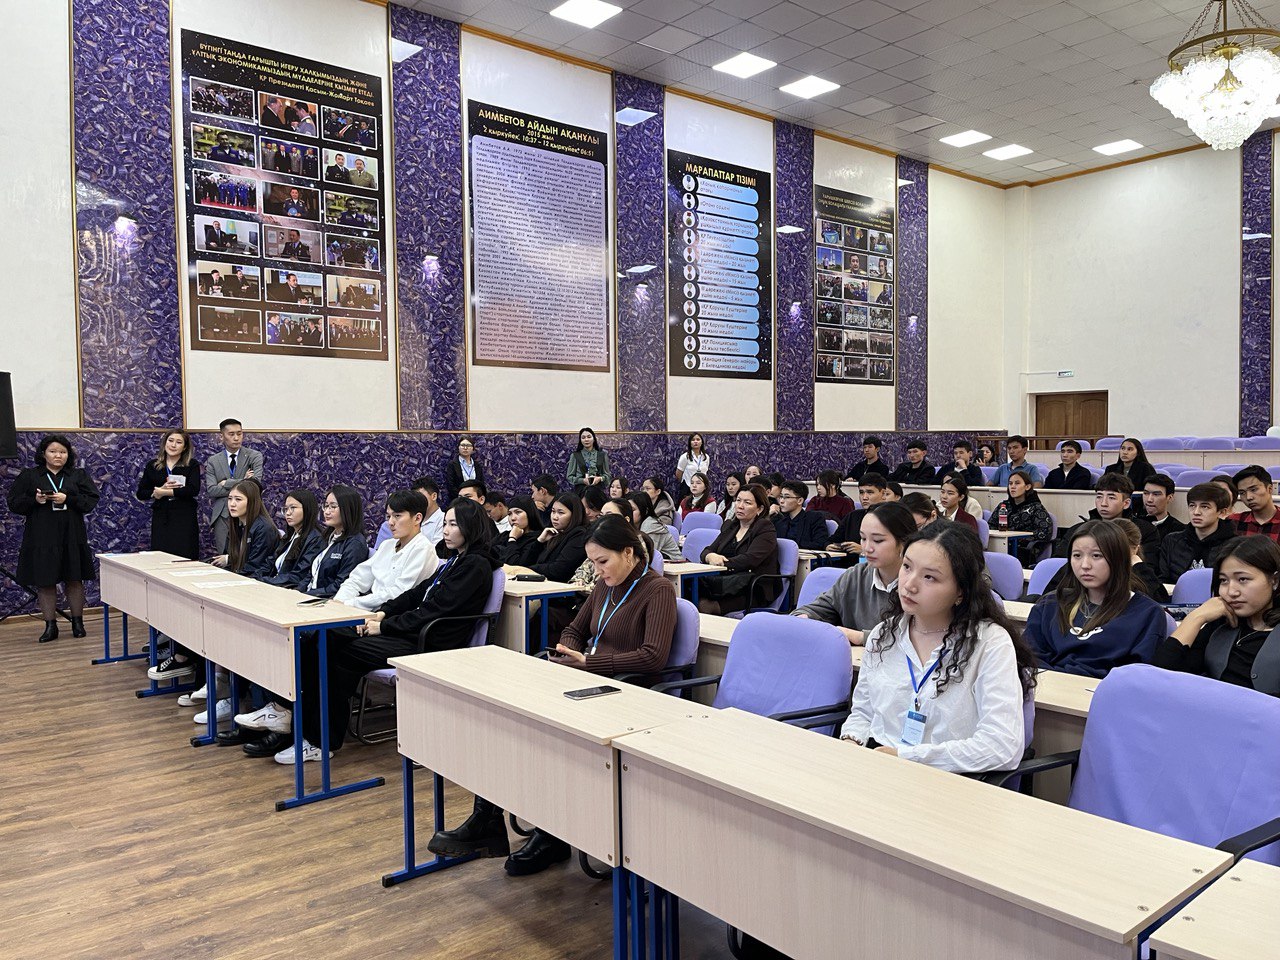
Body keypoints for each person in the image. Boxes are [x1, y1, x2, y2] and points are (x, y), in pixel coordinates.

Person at [430, 515, 677, 872]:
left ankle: (551, 834)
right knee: (513, 719)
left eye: (603, 561)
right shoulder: (606, 584)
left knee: (548, 736)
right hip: (594, 684)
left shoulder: (658, 590)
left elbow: (653, 657)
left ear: (629, 553)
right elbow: (575, 628)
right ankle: (487, 818)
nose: (597, 570)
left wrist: (590, 662)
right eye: (593, 562)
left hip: (630, 694)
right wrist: (569, 648)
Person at [287, 499, 500, 764]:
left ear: (471, 526)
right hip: (411, 631)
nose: (446, 530)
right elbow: (416, 594)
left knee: (339, 653)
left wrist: (384, 626)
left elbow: (433, 611)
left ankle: (321, 740)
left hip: (429, 642)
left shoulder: (475, 565)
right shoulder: (457, 560)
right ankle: (301, 727)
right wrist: (383, 612)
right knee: (325, 636)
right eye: (445, 523)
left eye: (454, 524)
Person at [839, 521, 1035, 773]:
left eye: (929, 577)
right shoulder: (884, 635)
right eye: (907, 567)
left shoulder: (989, 643)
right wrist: (851, 741)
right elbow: (864, 713)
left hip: (946, 777)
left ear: (961, 591)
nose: (909, 584)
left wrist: (907, 757)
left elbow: (1002, 746)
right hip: (879, 764)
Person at [1024, 520, 1167, 678]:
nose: (1085, 565)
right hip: (1048, 687)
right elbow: (1029, 657)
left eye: (1096, 556)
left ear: (1119, 559)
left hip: (1105, 690)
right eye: (1077, 555)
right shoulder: (1051, 604)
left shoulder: (1147, 614)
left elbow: (1135, 675)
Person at [1154, 535, 1280, 696]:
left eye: (1243, 579)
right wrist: (1196, 618)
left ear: (1275, 580)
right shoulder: (1221, 625)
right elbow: (1158, 677)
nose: (1231, 592)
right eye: (1223, 580)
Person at [6, 434, 100, 642]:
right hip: (42, 537)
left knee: (74, 579)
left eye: (63, 452)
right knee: (45, 580)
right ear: (43, 454)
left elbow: (91, 500)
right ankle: (50, 626)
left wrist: (69, 498)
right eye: (53, 451)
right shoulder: (30, 475)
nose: (58, 456)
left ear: (68, 455)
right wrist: (35, 500)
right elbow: (14, 503)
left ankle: (78, 623)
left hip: (71, 535)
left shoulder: (77, 475)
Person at [795, 501, 914, 645]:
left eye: (878, 540)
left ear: (904, 542)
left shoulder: (917, 584)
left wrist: (861, 637)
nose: (867, 548)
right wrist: (804, 618)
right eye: (863, 538)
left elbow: (920, 637)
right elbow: (820, 608)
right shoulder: (856, 575)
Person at [335, 491, 439, 611]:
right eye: (389, 516)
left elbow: (397, 593)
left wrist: (351, 603)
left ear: (417, 518)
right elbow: (358, 578)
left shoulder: (423, 549)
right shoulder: (387, 545)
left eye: (397, 516)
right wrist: (339, 601)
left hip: (394, 614)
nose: (390, 522)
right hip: (367, 608)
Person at [698, 484, 779, 615]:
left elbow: (750, 560)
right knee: (685, 596)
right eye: (738, 500)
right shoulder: (730, 526)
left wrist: (722, 563)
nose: (740, 506)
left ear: (760, 508)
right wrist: (710, 556)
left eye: (747, 503)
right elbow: (707, 550)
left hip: (752, 589)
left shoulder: (765, 528)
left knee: (704, 606)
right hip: (725, 584)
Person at [1056, 473, 1159, 563]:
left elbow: (1148, 567)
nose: (1103, 503)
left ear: (1126, 503)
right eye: (1099, 496)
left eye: (1111, 498)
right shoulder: (1079, 530)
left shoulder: (1145, 531)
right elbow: (1059, 561)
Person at [135, 430, 202, 560]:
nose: (173, 445)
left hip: (184, 517)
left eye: (179, 442)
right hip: (162, 516)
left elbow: (193, 490)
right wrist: (156, 493)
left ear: (185, 447)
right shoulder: (153, 465)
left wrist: (165, 492)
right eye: (170, 441)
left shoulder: (191, 464)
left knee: (185, 554)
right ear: (165, 443)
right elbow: (141, 493)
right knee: (161, 555)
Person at [205, 418, 264, 553]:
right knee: (223, 556)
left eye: (239, 433)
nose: (236, 438)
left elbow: (255, 484)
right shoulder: (213, 461)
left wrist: (226, 483)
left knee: (247, 553)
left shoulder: (254, 456)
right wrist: (243, 480)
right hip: (222, 515)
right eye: (231, 434)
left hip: (248, 512)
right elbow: (212, 490)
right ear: (222, 436)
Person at [1158, 483, 1236, 584]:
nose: (1196, 512)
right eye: (1192, 506)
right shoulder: (1171, 540)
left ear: (1222, 512)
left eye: (1205, 507)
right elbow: (1163, 580)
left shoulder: (1234, 546)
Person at [517, 492, 589, 583]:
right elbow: (524, 562)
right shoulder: (553, 532)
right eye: (553, 511)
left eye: (561, 513)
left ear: (574, 514)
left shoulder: (579, 534)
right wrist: (539, 541)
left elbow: (559, 569)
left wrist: (528, 569)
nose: (555, 517)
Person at [990, 469, 1054, 567]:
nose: (1012, 487)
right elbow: (990, 525)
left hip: (1023, 550)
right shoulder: (1004, 506)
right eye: (1010, 483)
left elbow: (1045, 532)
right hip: (1001, 545)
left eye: (1017, 483)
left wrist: (1019, 538)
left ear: (1027, 487)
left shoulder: (1036, 508)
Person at [265, 489, 325, 589]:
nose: (287, 513)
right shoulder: (290, 535)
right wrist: (255, 578)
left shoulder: (316, 539)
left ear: (307, 509)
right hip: (274, 585)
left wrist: (266, 581)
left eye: (293, 508)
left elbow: (298, 575)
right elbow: (270, 562)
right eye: (286, 509)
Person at [827, 474, 892, 559]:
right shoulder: (853, 516)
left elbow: (897, 551)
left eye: (870, 492)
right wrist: (828, 546)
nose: (864, 497)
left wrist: (864, 550)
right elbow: (833, 540)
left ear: (883, 494)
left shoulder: (892, 518)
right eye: (861, 492)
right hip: (848, 564)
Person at [1114, 518, 1169, 603]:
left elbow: (1160, 603)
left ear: (1135, 548)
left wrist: (1139, 566)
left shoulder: (1141, 573)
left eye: (1121, 549)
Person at [772, 481, 830, 550]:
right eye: (781, 496)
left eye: (787, 497)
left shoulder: (814, 518)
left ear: (800, 501)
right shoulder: (779, 520)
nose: (781, 501)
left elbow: (820, 543)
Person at [1229, 465, 1280, 541]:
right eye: (1242, 493)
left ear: (1269, 489)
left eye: (1253, 490)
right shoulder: (1233, 521)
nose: (1248, 497)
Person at [493, 495, 545, 567]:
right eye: (509, 514)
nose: (513, 518)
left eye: (518, 512)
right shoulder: (504, 535)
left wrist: (512, 539)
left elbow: (516, 565)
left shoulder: (539, 539)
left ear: (529, 513)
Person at [628, 491, 681, 562]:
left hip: (673, 564)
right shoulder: (629, 524)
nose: (628, 513)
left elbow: (646, 557)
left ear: (645, 510)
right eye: (626, 509)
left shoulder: (651, 525)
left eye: (632, 510)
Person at [1142, 474, 1186, 543]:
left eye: (1156, 494)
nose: (1149, 499)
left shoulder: (1179, 531)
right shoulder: (1134, 524)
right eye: (1146, 493)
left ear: (1169, 498)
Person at [443, 437, 484, 501]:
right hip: (458, 501)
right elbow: (450, 486)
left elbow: (481, 484)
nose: (465, 448)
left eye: (468, 445)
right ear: (458, 447)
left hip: (475, 501)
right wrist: (462, 498)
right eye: (463, 445)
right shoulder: (452, 464)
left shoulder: (477, 465)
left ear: (473, 448)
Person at [674, 433, 710, 500]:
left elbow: (705, 472)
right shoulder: (685, 456)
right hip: (687, 487)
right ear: (690, 443)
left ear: (702, 442)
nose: (695, 441)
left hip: (702, 488)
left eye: (698, 439)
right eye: (693, 440)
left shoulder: (706, 457)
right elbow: (678, 474)